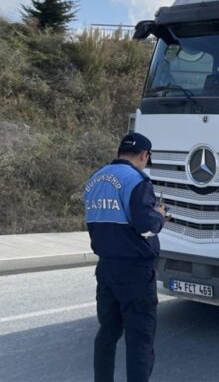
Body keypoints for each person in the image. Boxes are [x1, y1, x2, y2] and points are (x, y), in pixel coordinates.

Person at [84, 132, 167, 382]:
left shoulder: (94, 179)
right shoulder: (137, 181)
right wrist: (160, 216)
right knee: (139, 338)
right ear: (144, 155)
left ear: (120, 152)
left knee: (107, 333)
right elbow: (145, 226)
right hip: (135, 272)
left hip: (107, 268)